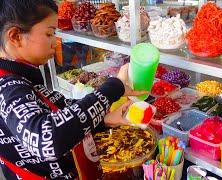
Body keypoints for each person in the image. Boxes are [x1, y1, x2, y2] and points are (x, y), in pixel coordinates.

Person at [0, 0, 146, 179]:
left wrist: (103, 119)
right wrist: (112, 88)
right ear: (15, 36)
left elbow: (61, 112)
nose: (55, 42)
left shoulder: (22, 78)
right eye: (49, 34)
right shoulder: (7, 88)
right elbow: (47, 138)